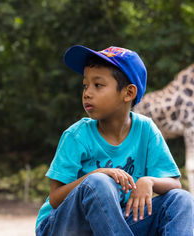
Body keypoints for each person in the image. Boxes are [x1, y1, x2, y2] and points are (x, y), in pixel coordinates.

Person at [35, 45, 194, 236]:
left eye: (98, 85)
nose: (87, 93)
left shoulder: (146, 130)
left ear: (128, 93)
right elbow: (55, 198)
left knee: (182, 199)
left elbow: (175, 183)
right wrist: (96, 176)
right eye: (85, 85)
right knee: (99, 182)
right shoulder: (76, 135)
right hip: (61, 226)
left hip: (115, 225)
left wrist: (149, 181)